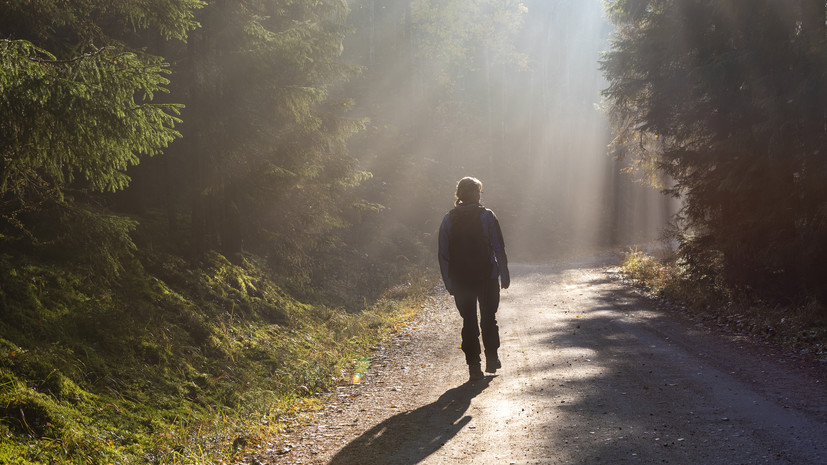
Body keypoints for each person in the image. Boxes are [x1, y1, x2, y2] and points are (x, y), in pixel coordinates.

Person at [438, 176, 510, 381]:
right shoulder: (487, 216)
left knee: (468, 321)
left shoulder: (448, 219)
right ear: (476, 194)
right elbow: (498, 247)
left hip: (460, 279)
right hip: (486, 277)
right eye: (479, 191)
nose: (480, 195)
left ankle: (474, 367)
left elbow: (443, 254)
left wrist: (449, 283)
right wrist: (504, 275)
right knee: (488, 318)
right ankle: (492, 358)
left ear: (459, 195)